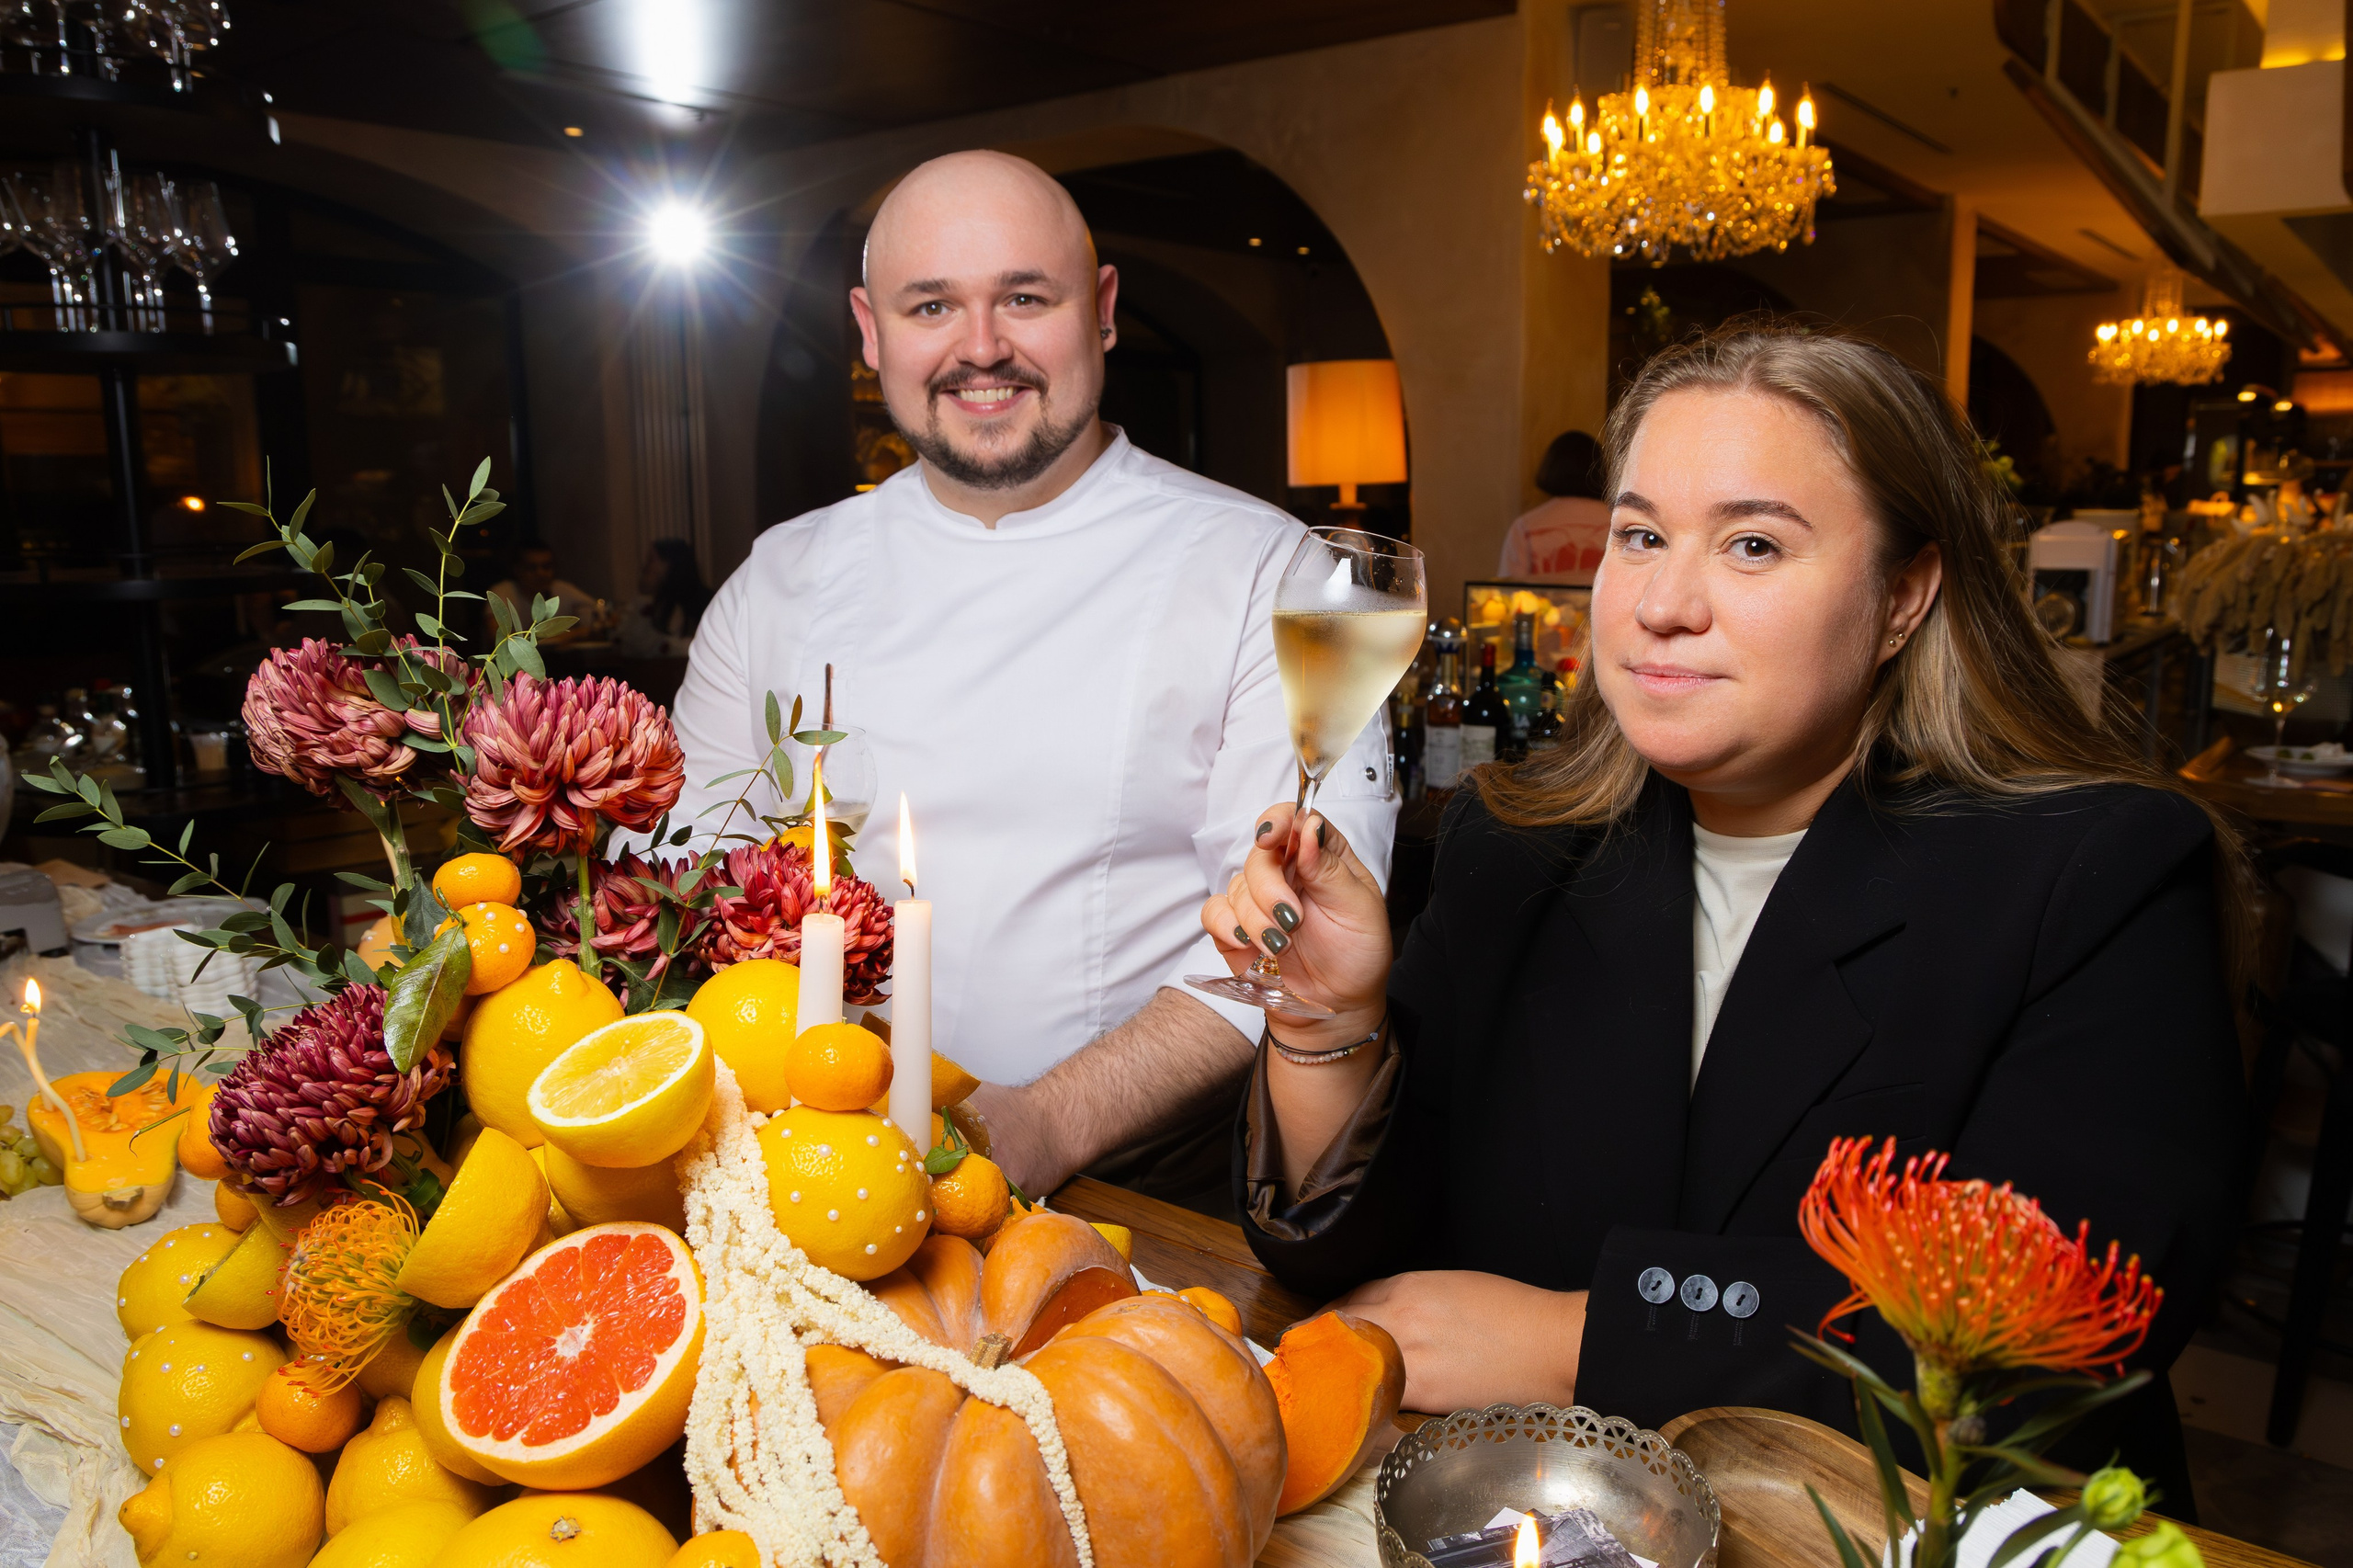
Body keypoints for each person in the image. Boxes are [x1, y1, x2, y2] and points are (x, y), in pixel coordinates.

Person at [1203, 325, 2245, 1508]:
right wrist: (1324, 1024)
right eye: (1640, 536)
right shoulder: (1516, 846)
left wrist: (1575, 1337)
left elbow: (2056, 1341)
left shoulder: (2096, 873)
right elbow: (1352, 1264)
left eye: (1752, 545)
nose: (1661, 604)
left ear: (1903, 595)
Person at [667, 150, 1396, 1209]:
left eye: (1023, 297)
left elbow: (1298, 937)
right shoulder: (778, 578)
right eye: (932, 306)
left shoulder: (1274, 574)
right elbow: (694, 885)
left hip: (1141, 1187)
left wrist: (1048, 1117)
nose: (980, 349)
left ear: (1100, 311)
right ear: (871, 332)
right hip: (810, 1168)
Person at [1496, 430, 1609, 583]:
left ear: (1550, 468)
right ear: (1599, 469)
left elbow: (1507, 588)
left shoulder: (1526, 526)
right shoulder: (1616, 523)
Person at [617, 539, 712, 657]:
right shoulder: (652, 603)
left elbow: (642, 647)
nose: (645, 567)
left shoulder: (700, 604)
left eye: (651, 560)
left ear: (669, 565)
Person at [485, 542, 597, 642]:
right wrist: (574, 634)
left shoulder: (561, 589)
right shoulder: (503, 591)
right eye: (532, 568)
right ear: (517, 570)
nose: (540, 573)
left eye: (546, 567)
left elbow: (601, 612)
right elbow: (497, 638)